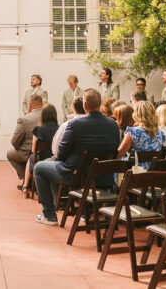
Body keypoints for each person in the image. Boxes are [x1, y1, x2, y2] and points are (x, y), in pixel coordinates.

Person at [33, 89, 120, 226]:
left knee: (38, 168)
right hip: (103, 177)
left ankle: (49, 215)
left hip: (77, 176)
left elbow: (61, 153)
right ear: (100, 105)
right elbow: (114, 149)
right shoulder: (113, 125)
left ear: (85, 105)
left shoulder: (75, 124)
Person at [115, 101, 165, 168]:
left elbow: (118, 155)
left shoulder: (133, 132)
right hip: (154, 171)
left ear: (136, 114)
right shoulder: (160, 133)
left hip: (136, 171)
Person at [24, 103, 60, 192]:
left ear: (43, 116)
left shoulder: (38, 130)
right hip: (56, 159)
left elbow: (33, 150)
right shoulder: (60, 129)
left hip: (41, 159)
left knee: (31, 157)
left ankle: (25, 186)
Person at [8, 94, 44, 181]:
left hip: (29, 152)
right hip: (46, 154)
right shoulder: (48, 117)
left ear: (30, 105)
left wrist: (19, 148)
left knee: (10, 154)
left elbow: (14, 141)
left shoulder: (24, 119)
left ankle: (27, 179)